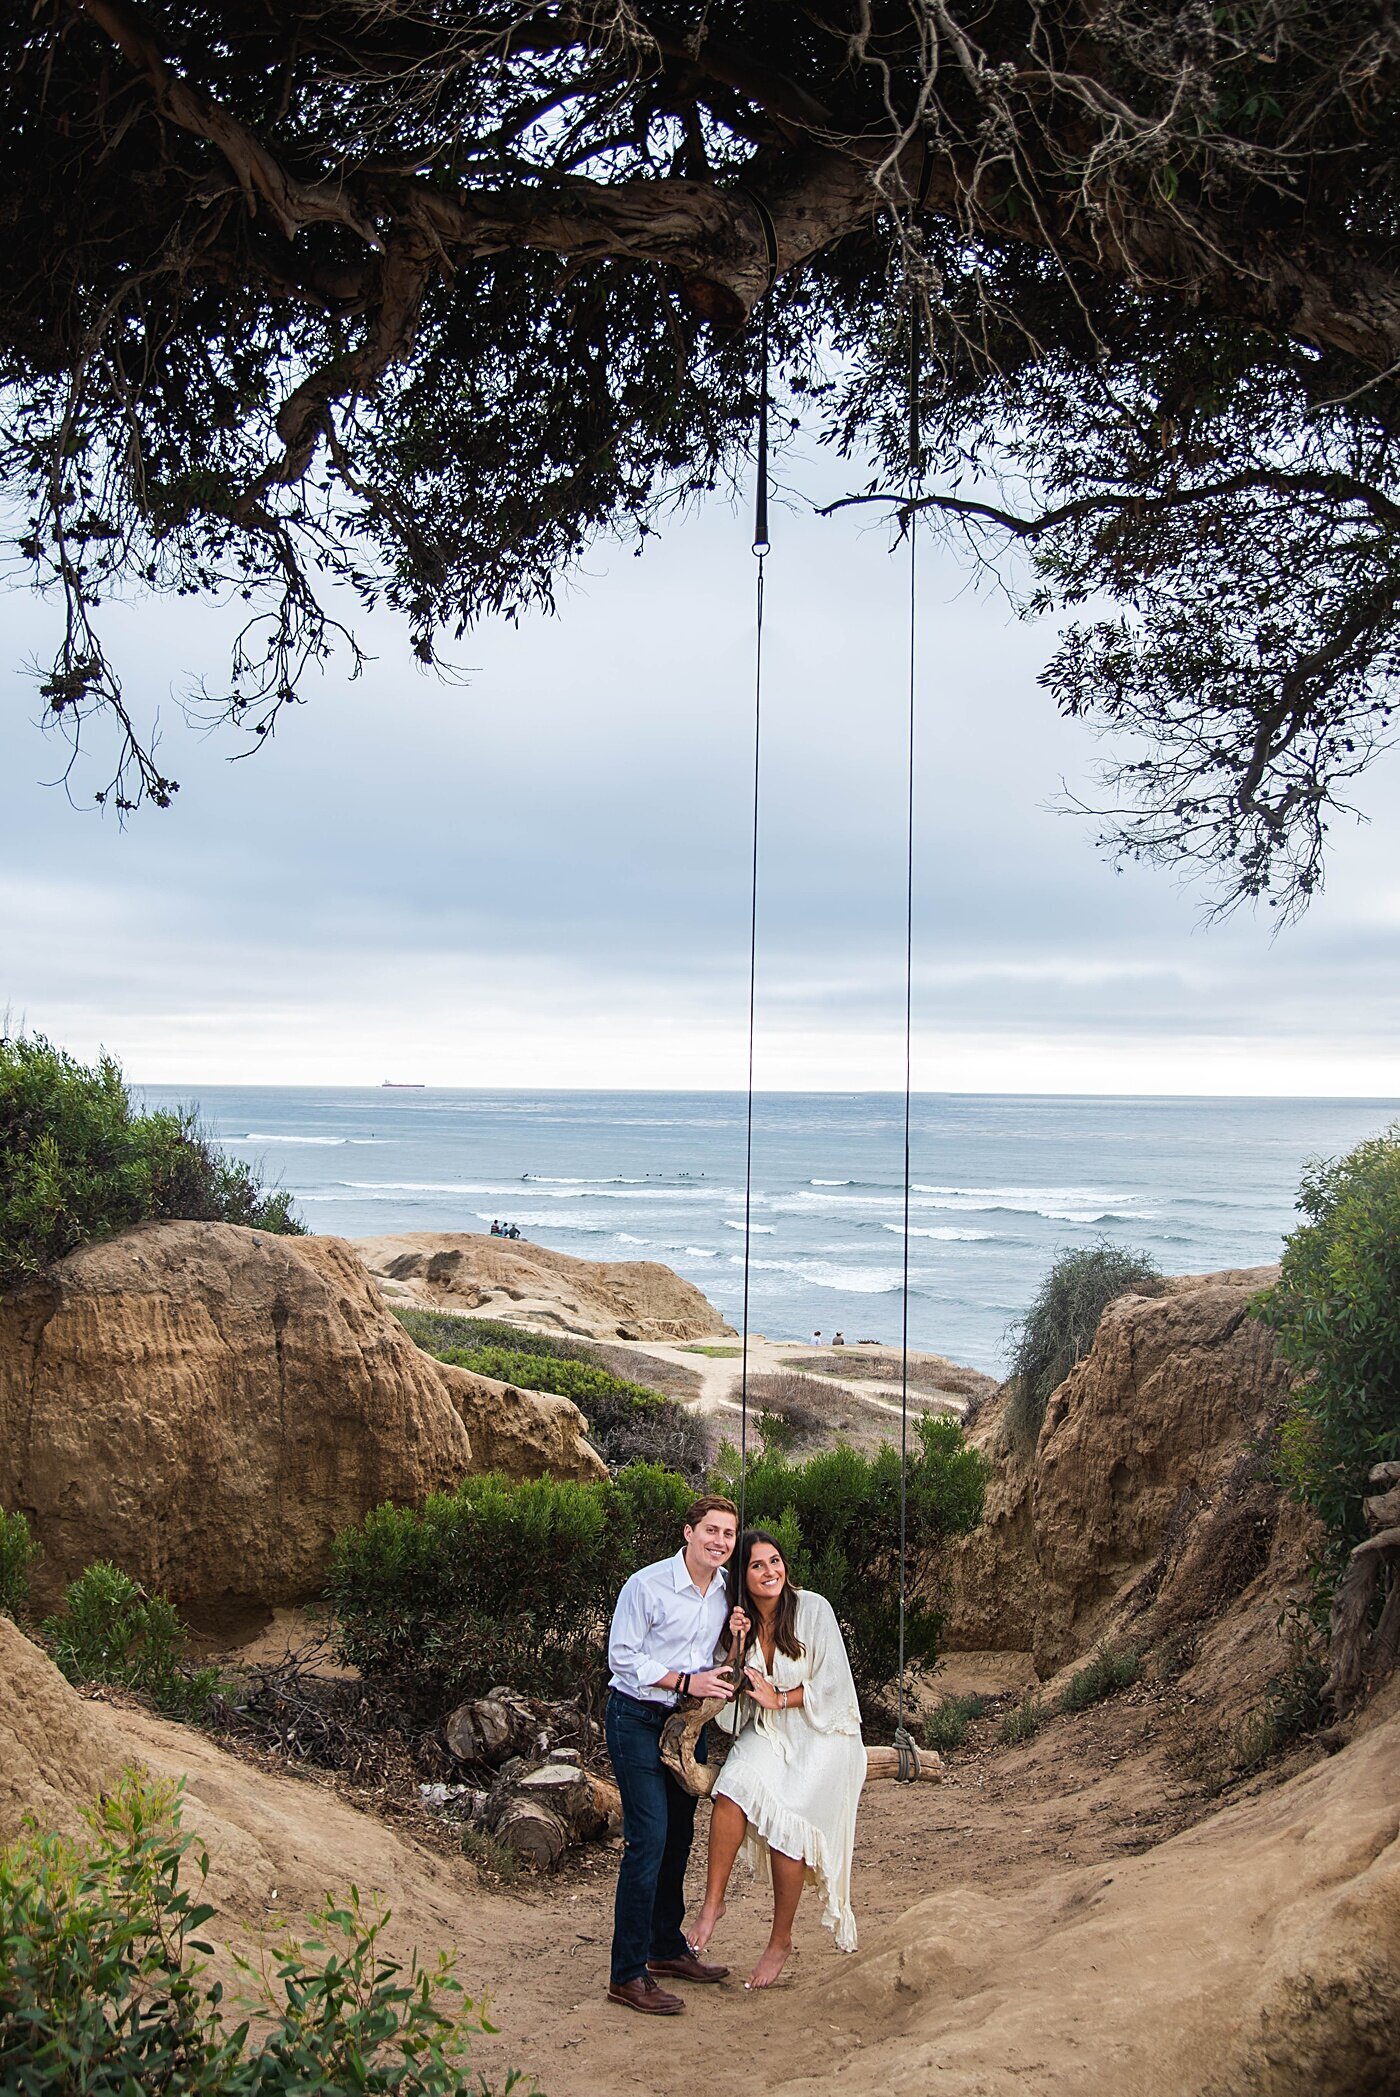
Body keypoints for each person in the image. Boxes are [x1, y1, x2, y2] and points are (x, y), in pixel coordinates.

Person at [689, 1530, 866, 1989]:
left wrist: (780, 1696)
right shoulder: (740, 1623)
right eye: (757, 1566)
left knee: (790, 1826)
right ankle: (713, 1903)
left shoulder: (813, 1608)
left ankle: (780, 1940)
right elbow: (730, 1706)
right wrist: (733, 1645)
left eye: (775, 1562)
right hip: (769, 1732)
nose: (770, 1572)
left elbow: (835, 1686)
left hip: (823, 1732)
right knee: (731, 1792)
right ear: (742, 1579)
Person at [605, 1494, 746, 2015]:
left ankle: (665, 1947)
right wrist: (687, 1679)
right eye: (711, 1531)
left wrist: (735, 1641)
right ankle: (627, 1974)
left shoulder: (728, 1592)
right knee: (649, 1838)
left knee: (681, 1836)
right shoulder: (647, 1585)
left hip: (687, 1723)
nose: (720, 1542)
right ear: (688, 1532)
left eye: (728, 1534)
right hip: (636, 1719)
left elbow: (716, 1663)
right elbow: (623, 1657)